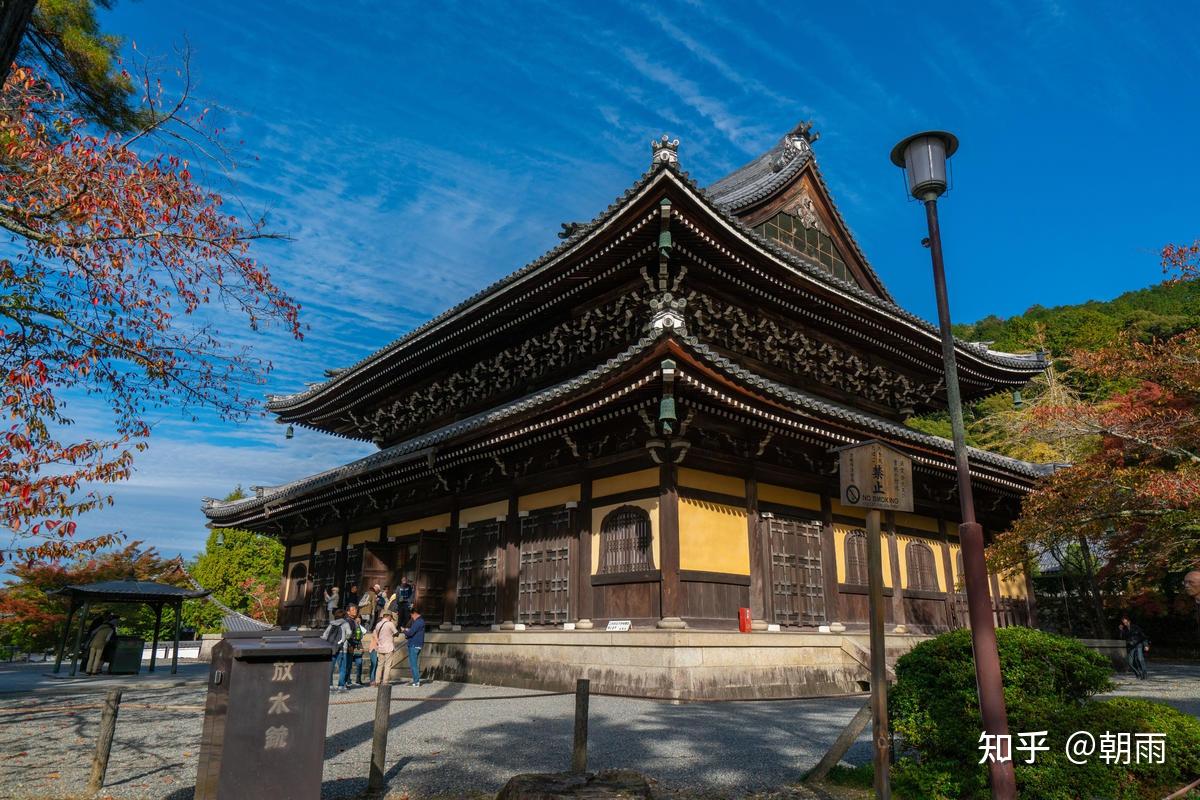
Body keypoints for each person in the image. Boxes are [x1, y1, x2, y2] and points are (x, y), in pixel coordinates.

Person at [322, 608, 352, 692]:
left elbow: (325, 635)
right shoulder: (345, 624)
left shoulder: (331, 624)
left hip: (332, 648)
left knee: (330, 667)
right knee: (342, 668)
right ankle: (341, 686)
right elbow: (349, 634)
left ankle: (330, 685)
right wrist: (343, 640)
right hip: (342, 648)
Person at [1118, 615, 1149, 680]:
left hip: (1138, 645)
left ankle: (1144, 674)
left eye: (1126, 622)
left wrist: (1146, 645)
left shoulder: (1136, 627)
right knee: (1130, 662)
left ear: (1129, 621)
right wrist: (1121, 630)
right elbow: (1122, 638)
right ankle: (1138, 673)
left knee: (1140, 659)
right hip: (1130, 647)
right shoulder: (1124, 630)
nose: (1125, 623)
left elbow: (1143, 636)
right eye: (1123, 622)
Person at [343, 605, 367, 687]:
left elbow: (358, 634)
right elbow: (347, 634)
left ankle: (351, 681)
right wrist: (349, 644)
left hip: (355, 645)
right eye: (352, 610)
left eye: (355, 609)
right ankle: (344, 682)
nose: (355, 611)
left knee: (351, 664)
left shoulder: (354, 621)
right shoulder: (347, 621)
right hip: (349, 645)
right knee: (347, 665)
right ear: (348, 612)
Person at [401, 607, 425, 687]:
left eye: (412, 615)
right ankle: (416, 680)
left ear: (414, 613)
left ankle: (416, 681)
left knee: (413, 664)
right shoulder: (421, 621)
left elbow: (410, 633)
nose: (412, 617)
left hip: (414, 644)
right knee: (414, 664)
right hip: (417, 644)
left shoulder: (418, 622)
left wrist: (404, 630)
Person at [373, 611, 398, 686]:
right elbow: (396, 633)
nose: (391, 619)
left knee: (380, 665)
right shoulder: (390, 624)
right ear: (389, 616)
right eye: (391, 617)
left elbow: (377, 633)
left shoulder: (378, 624)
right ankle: (385, 681)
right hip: (389, 647)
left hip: (380, 646)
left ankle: (377, 681)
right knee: (387, 665)